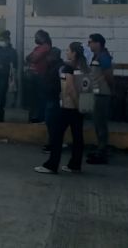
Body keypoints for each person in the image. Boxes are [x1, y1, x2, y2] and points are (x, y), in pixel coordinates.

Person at [35, 42, 88, 174]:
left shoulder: (68, 68)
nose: (67, 52)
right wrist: (82, 106)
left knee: (57, 136)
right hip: (81, 106)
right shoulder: (84, 67)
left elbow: (70, 88)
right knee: (78, 137)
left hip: (68, 107)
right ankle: (75, 165)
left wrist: (77, 105)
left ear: (74, 53)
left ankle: (52, 165)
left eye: (69, 50)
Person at [87, 33, 114, 165]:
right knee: (97, 123)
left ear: (98, 43)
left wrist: (107, 88)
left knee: (101, 123)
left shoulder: (103, 57)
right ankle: (100, 148)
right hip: (97, 93)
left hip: (102, 94)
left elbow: (108, 75)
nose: (89, 44)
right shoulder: (97, 56)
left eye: (91, 42)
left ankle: (102, 151)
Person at [25, 30, 52, 123]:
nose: (35, 39)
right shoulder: (38, 48)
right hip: (35, 76)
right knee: (35, 98)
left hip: (41, 76)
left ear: (43, 37)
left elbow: (33, 58)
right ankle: (36, 117)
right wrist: (30, 58)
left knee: (41, 98)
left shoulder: (45, 47)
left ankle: (41, 118)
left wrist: (30, 58)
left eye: (37, 37)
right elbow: (27, 57)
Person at [42, 47, 64, 152]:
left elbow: (62, 83)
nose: (47, 58)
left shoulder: (60, 67)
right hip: (50, 96)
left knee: (52, 122)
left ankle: (54, 143)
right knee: (50, 122)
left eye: (49, 56)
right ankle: (53, 142)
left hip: (55, 98)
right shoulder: (52, 66)